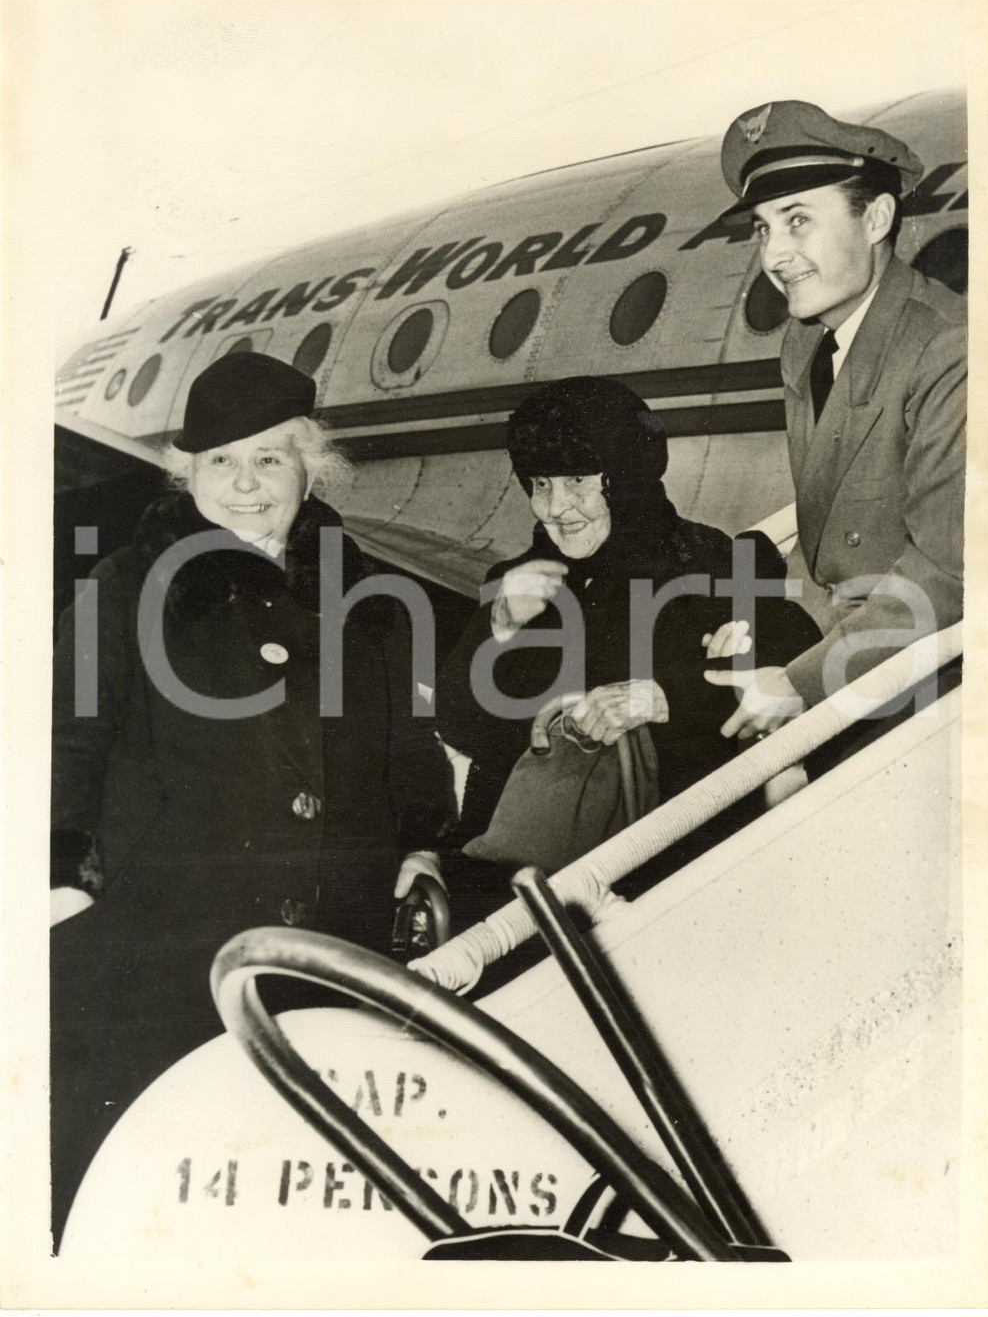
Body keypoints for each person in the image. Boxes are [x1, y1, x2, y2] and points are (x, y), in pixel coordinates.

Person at [49, 351, 453, 1248]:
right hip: (161, 940)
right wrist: (59, 870)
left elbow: (405, 743)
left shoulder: (365, 593)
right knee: (141, 1184)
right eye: (220, 462)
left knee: (300, 1193)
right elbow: (66, 738)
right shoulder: (125, 586)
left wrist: (424, 842)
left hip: (332, 941)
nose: (244, 485)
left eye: (269, 459)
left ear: (311, 466)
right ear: (186, 473)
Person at [436, 375, 820, 907]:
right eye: (539, 485)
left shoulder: (708, 561)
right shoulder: (519, 579)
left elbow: (799, 653)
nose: (556, 508)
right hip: (519, 884)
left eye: (577, 481)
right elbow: (457, 720)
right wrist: (496, 628)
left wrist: (664, 697)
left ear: (626, 476)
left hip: (660, 878)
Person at [706, 100, 966, 739]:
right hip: (858, 645)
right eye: (764, 228)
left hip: (927, 672)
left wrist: (801, 683)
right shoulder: (809, 341)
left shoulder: (950, 348)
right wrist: (770, 625)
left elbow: (951, 573)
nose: (775, 255)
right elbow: (830, 538)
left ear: (876, 218)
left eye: (799, 220)